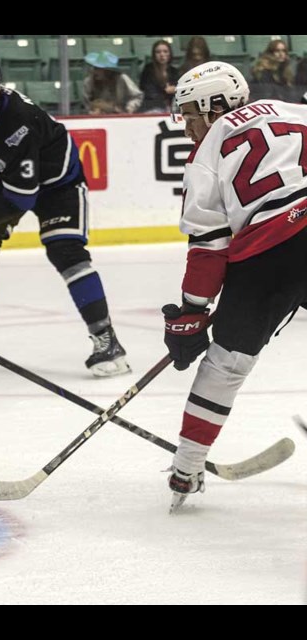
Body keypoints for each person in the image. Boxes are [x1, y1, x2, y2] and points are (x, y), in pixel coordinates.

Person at [162, 61, 307, 512]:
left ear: (216, 106)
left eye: (188, 113)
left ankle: (187, 469)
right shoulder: (296, 109)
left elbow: (208, 246)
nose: (184, 124)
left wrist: (190, 313)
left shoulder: (205, 155)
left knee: (225, 364)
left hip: (270, 251)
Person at [0, 53, 130, 376]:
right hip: (13, 177)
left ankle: (107, 341)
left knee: (66, 252)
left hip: (60, 185)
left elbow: (22, 197)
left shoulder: (18, 121)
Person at [81, 50, 143, 115]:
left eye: (98, 68)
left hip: (120, 115)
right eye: (94, 68)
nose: (94, 71)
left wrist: (130, 108)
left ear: (108, 71)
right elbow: (86, 104)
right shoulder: (88, 82)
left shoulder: (122, 78)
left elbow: (137, 96)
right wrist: (91, 111)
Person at [138, 39, 177, 113]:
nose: (162, 55)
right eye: (158, 52)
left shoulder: (174, 71)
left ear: (170, 54)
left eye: (165, 51)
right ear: (154, 54)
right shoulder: (148, 70)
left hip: (172, 107)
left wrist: (175, 89)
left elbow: (179, 89)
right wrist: (166, 90)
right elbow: (149, 92)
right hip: (152, 107)